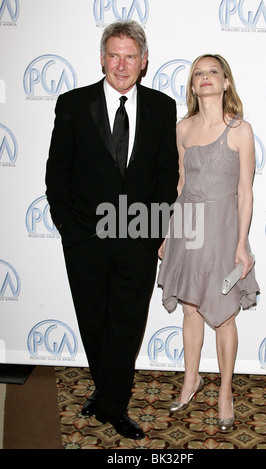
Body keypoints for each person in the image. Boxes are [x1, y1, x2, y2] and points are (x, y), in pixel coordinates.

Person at [45, 21, 178, 440]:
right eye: (114, 55)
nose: (122, 64)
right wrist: (68, 227)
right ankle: (106, 393)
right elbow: (57, 174)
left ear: (144, 61)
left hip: (138, 238)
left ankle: (114, 404)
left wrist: (155, 230)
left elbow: (165, 173)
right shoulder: (72, 103)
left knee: (127, 321)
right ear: (102, 58)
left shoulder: (161, 106)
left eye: (130, 56)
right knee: (93, 320)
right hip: (84, 238)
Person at [157, 54, 260, 432]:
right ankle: (191, 380)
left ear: (226, 81)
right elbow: (181, 186)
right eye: (198, 73)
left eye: (212, 72)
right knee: (190, 311)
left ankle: (225, 392)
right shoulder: (182, 129)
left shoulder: (240, 130)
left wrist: (242, 244)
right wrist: (169, 233)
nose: (205, 78)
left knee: (224, 316)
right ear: (192, 84)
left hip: (221, 229)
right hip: (188, 226)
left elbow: (245, 192)